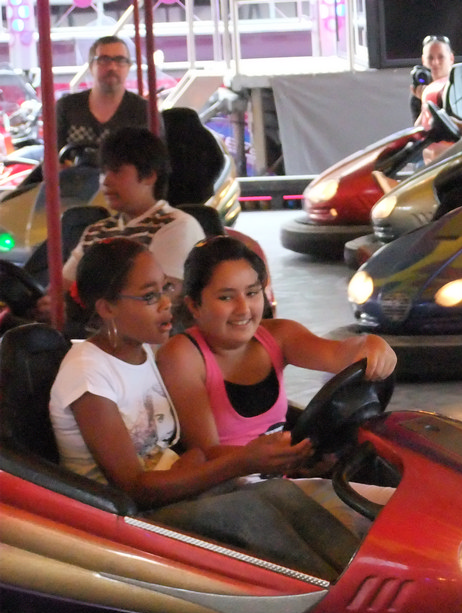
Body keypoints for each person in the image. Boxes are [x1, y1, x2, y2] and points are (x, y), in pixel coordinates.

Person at [48, 237, 363, 578]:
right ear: (107, 307)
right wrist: (242, 461)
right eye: (150, 296)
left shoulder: (143, 354)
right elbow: (134, 487)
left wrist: (276, 458)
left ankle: (357, 575)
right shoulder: (88, 372)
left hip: (170, 494)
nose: (166, 304)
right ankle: (335, 589)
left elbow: (172, 453)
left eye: (165, 289)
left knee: (277, 491)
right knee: (247, 510)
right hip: (123, 520)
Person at [61, 126, 206, 304]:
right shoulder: (97, 231)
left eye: (116, 171)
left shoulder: (177, 226)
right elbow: (63, 286)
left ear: (149, 176)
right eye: (103, 172)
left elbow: (157, 299)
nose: (105, 181)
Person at [55, 35, 157, 151]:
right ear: (91, 66)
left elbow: (154, 159)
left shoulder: (144, 111)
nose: (112, 67)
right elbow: (53, 156)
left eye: (120, 60)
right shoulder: (67, 107)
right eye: (104, 60)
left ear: (128, 67)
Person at [410, 35, 455, 126]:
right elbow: (419, 129)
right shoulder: (419, 92)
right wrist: (425, 102)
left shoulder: (459, 86)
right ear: (423, 60)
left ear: (451, 59)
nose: (435, 63)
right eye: (430, 58)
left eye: (441, 57)